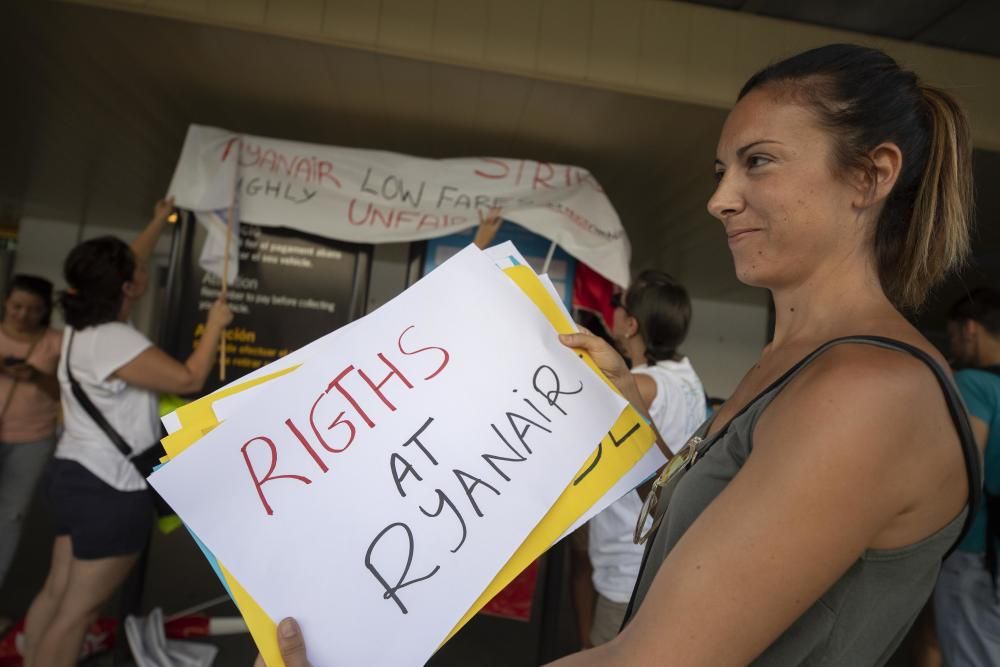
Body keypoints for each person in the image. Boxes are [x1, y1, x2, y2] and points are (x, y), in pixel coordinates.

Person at [256, 43, 978, 667]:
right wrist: (618, 416)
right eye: (720, 169)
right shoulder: (803, 361)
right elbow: (714, 528)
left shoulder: (868, 388)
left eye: (759, 162)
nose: (720, 198)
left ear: (870, 175)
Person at [23, 197, 233, 667]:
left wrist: (160, 218)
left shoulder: (81, 329)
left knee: (57, 594)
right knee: (78, 613)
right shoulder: (116, 340)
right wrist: (215, 326)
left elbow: (125, 264)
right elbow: (188, 379)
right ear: (128, 287)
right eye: (133, 271)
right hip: (111, 490)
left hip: (73, 476)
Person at [572, 271, 706, 647]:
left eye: (618, 305)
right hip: (654, 554)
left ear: (630, 325)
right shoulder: (684, 373)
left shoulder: (641, 385)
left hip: (628, 559)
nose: (610, 310)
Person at [934, 287, 1000, 666]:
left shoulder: (974, 385)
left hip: (978, 553)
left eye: (954, 335)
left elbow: (961, 473)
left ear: (970, 330)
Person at [0, 276, 62, 593]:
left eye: (33, 309)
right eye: (17, 307)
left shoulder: (56, 342)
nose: (23, 315)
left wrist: (36, 376)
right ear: (6, 303)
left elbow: (63, 393)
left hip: (33, 438)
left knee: (10, 516)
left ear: (45, 311)